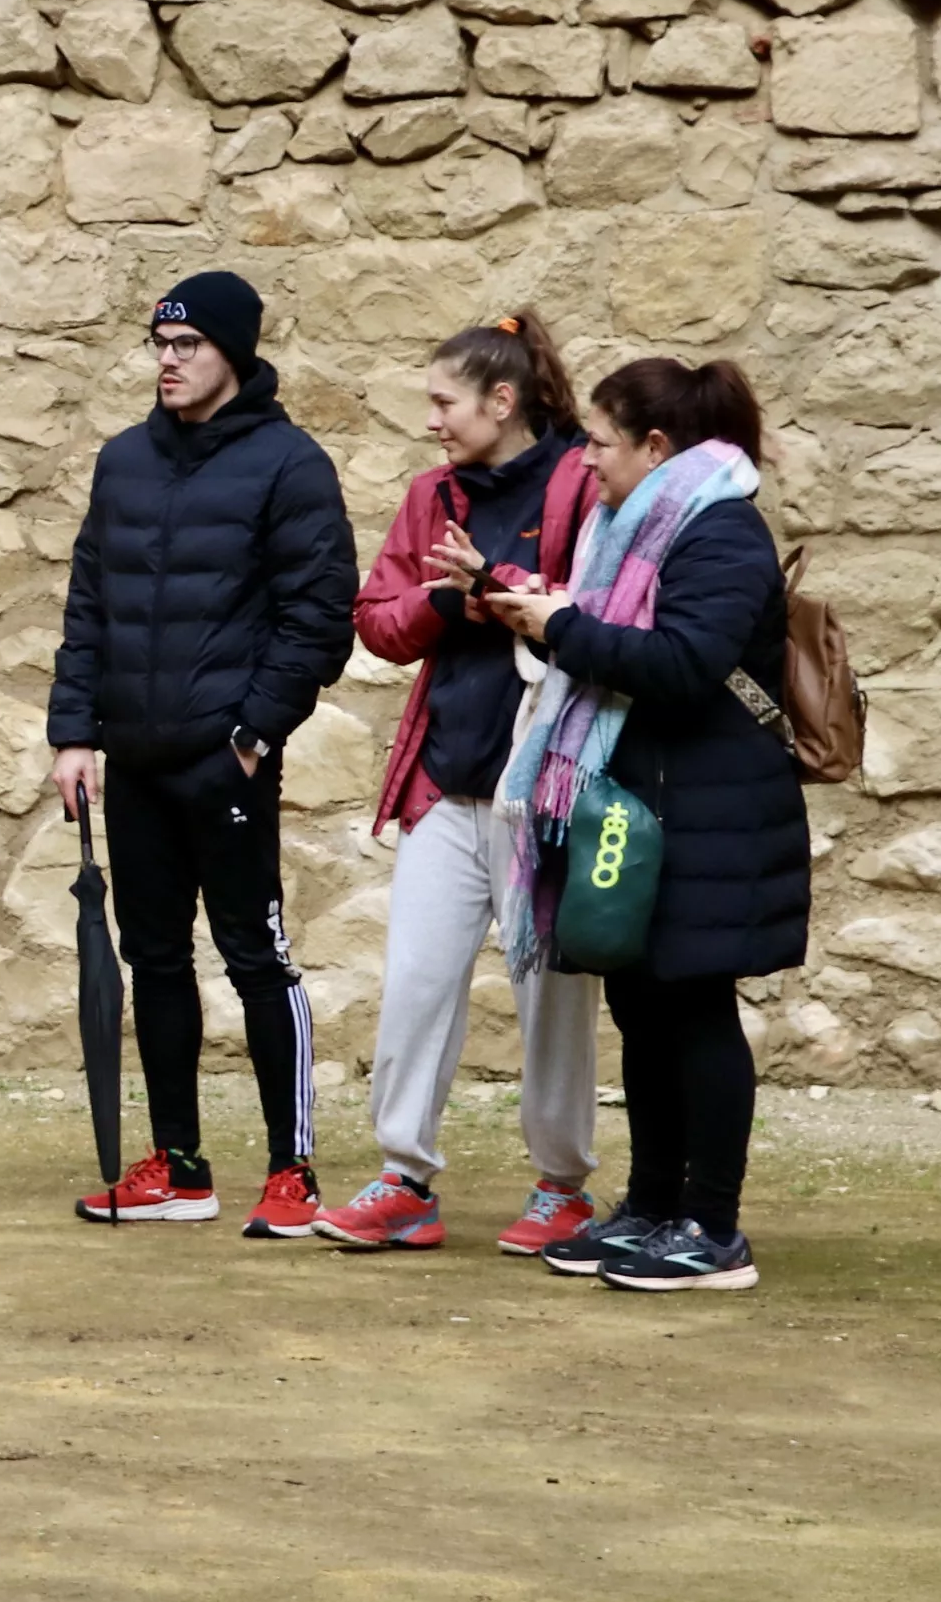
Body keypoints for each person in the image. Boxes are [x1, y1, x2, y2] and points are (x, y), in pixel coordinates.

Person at [476, 356, 807, 1293]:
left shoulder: (720, 533)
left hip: (711, 814)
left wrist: (559, 629)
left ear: (655, 448)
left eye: (602, 442)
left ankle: (713, 1228)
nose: (587, 461)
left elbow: (685, 662)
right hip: (648, 810)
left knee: (696, 1013)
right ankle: (654, 1209)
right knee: (644, 1008)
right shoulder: (635, 530)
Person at [47, 269, 358, 1237]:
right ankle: (181, 1167)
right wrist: (72, 730)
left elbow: (319, 619)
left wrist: (254, 735)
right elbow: (89, 603)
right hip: (132, 762)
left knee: (255, 956)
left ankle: (291, 1170)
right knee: (154, 960)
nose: (168, 361)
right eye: (160, 345)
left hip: (223, 761)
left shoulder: (289, 464)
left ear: (233, 352)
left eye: (187, 346)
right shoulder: (123, 462)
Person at [314, 313, 606, 1258]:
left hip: (543, 784)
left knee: (551, 995)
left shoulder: (578, 480)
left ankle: (562, 1187)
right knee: (416, 984)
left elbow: (592, 610)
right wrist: (450, 597)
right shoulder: (429, 493)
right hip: (445, 779)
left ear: (502, 401)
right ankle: (405, 1181)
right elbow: (378, 620)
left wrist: (502, 579)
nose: (433, 420)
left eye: (445, 402)